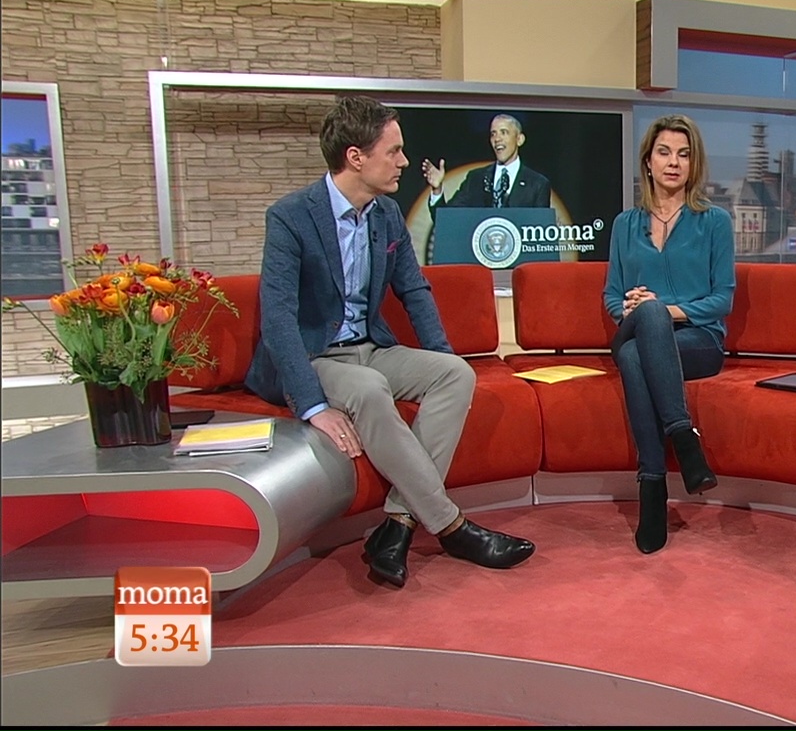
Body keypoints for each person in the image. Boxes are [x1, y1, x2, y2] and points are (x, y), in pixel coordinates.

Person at [245, 95, 535, 588]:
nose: (404, 161)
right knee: (368, 388)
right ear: (356, 157)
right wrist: (313, 405)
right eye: (394, 151)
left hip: (371, 347)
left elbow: (414, 290)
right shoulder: (291, 217)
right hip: (316, 357)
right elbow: (278, 320)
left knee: (455, 374)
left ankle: (397, 524)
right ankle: (451, 526)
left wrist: (438, 355)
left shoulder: (385, 213)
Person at [602, 114, 736, 555]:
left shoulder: (714, 221)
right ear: (648, 161)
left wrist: (662, 310)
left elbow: (722, 300)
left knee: (634, 355)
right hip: (638, 329)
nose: (674, 162)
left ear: (694, 164)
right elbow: (612, 294)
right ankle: (684, 439)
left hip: (699, 340)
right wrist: (627, 309)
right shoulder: (625, 224)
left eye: (684, 154)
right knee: (643, 327)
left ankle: (652, 486)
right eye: (664, 152)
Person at [422, 113, 552, 213]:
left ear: (519, 139)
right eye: (493, 134)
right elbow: (447, 219)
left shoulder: (538, 184)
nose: (497, 139)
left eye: (504, 132)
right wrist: (437, 189)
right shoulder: (475, 179)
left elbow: (540, 232)